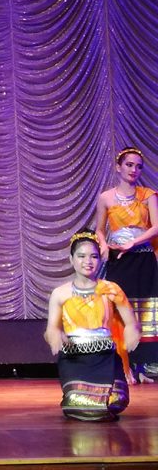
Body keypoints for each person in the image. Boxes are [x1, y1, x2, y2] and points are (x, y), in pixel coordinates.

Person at [45, 229, 140, 421]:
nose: (87, 261)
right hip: (74, 358)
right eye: (81, 256)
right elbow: (51, 328)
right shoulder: (60, 293)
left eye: (94, 256)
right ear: (71, 259)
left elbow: (131, 322)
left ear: (100, 259)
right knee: (80, 404)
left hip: (105, 356)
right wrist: (55, 335)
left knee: (116, 400)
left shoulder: (111, 289)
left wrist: (132, 331)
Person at [95, 147, 158, 382]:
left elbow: (156, 227)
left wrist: (133, 242)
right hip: (119, 260)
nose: (134, 170)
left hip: (143, 258)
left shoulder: (147, 195)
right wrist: (103, 245)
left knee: (146, 310)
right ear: (118, 167)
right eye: (129, 165)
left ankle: (144, 366)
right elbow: (99, 230)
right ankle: (125, 365)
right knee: (121, 311)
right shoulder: (106, 197)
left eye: (138, 166)